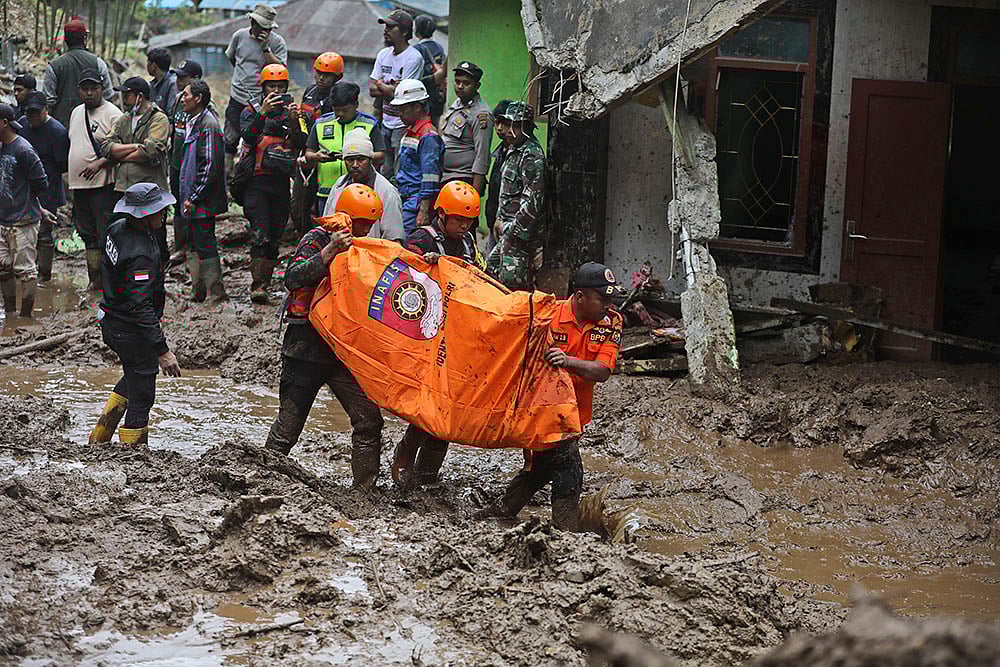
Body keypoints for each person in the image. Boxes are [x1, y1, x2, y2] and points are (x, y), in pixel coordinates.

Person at [478, 262, 624, 530]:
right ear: (580, 297)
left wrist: (567, 361)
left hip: (576, 411)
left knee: (541, 467)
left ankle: (501, 511)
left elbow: (603, 370)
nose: (608, 305)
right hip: (541, 410)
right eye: (602, 298)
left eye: (611, 299)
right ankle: (565, 531)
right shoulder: (546, 315)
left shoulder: (612, 322)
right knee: (569, 469)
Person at [265, 184, 386, 492]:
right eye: (359, 224)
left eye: (368, 226)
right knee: (287, 430)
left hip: (343, 353)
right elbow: (292, 278)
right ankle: (263, 479)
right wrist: (329, 251)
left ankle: (365, 491)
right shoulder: (315, 239)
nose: (363, 230)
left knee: (368, 420)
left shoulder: (367, 250)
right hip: (304, 350)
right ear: (344, 218)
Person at [392, 181, 485, 486]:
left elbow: (480, 276)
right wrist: (429, 265)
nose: (464, 226)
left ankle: (428, 472)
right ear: (443, 215)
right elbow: (402, 276)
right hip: (426, 336)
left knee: (449, 408)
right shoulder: (422, 239)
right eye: (459, 219)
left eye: (469, 220)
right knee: (429, 405)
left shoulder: (469, 243)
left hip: (458, 336)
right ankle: (404, 455)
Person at [88, 183, 182, 447]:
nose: (163, 213)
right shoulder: (140, 254)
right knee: (143, 395)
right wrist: (162, 350)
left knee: (134, 374)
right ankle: (133, 453)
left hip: (110, 318)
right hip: (129, 328)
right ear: (144, 214)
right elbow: (140, 307)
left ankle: (99, 439)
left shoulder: (117, 229)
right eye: (159, 210)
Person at [238, 63, 306, 304]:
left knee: (276, 234)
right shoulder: (251, 110)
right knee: (261, 233)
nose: (276, 91)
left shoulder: (292, 112)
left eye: (280, 86)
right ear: (263, 87)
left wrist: (295, 120)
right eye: (271, 86)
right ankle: (258, 284)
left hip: (280, 181)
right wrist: (263, 113)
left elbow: (302, 140)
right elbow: (247, 136)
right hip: (256, 182)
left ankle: (266, 279)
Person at [100, 76, 171, 266]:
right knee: (126, 234)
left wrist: (120, 154)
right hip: (125, 189)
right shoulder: (124, 119)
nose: (123, 98)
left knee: (154, 236)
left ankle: (157, 277)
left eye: (127, 94)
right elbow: (106, 146)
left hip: (149, 190)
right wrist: (135, 147)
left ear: (139, 96)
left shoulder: (158, 119)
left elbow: (151, 150)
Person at [68, 68, 122, 290]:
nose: (89, 93)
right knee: (86, 232)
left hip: (103, 185)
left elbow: (121, 149)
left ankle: (111, 281)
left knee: (106, 232)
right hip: (79, 185)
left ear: (102, 89)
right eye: (85, 89)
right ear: (79, 91)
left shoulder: (113, 113)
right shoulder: (76, 112)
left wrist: (101, 163)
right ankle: (95, 280)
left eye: (94, 89)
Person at [486, 102, 546, 291]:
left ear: (527, 127)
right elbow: (505, 191)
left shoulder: (531, 156)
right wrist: (498, 220)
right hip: (506, 233)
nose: (510, 130)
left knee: (513, 289)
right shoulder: (512, 150)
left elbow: (533, 203)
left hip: (520, 237)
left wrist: (509, 229)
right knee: (489, 276)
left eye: (517, 125)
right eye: (509, 124)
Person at [178, 80, 228, 303]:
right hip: (192, 198)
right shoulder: (193, 121)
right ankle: (198, 291)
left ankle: (214, 294)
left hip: (202, 201)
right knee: (194, 243)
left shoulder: (208, 125)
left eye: (186, 94)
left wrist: (194, 196)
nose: (182, 98)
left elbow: (210, 165)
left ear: (198, 99)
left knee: (205, 243)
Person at [303, 82, 384, 216]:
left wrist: (354, 156)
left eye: (345, 110)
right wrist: (317, 156)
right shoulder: (321, 123)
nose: (340, 113)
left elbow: (381, 156)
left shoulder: (369, 124)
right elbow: (308, 154)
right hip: (326, 192)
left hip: (361, 193)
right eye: (336, 109)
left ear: (356, 105)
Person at [224, 2, 287, 170]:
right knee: (230, 139)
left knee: (256, 138)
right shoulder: (239, 36)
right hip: (238, 96)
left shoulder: (277, 42)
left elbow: (280, 70)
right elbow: (232, 58)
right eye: (259, 26)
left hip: (262, 101)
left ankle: (251, 170)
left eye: (266, 28)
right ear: (252, 22)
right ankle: (227, 174)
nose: (263, 31)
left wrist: (265, 48)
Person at [16, 91, 69, 285]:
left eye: (36, 113)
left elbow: (63, 163)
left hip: (49, 185)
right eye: (30, 114)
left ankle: (44, 274)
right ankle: (26, 268)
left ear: (46, 110)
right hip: (24, 185)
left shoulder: (57, 131)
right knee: (23, 228)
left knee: (45, 232)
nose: (33, 117)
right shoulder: (22, 125)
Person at [0, 104, 47, 318]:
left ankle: (25, 317)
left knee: (25, 271)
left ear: (4, 123)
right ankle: (10, 313)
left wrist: (31, 204)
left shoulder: (23, 149)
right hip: (3, 219)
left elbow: (41, 184)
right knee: (3, 269)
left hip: (23, 220)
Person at [291, 52, 345, 237]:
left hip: (325, 159)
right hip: (306, 152)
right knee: (299, 205)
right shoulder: (310, 92)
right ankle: (304, 240)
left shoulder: (337, 99)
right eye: (319, 72)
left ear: (337, 77)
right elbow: (302, 121)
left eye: (327, 75)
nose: (321, 78)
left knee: (319, 205)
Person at [369, 9, 424, 180]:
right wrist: (388, 88)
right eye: (385, 26)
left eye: (391, 27)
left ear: (405, 32)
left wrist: (381, 84)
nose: (385, 30)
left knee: (401, 169)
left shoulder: (413, 58)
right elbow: (371, 89)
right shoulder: (383, 54)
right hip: (385, 121)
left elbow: (402, 95)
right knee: (384, 170)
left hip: (403, 124)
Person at [323, 127, 404, 244]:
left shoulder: (386, 192)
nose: (355, 165)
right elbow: (328, 227)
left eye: (361, 159)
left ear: (370, 160)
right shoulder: (339, 186)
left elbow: (394, 240)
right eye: (350, 160)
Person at [167, 59, 212, 264]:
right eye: (177, 77)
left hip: (193, 167)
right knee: (177, 204)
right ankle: (181, 247)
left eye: (183, 78)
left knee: (193, 208)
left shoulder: (206, 112)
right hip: (177, 163)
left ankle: (194, 249)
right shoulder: (178, 100)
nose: (178, 81)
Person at [390, 79, 443, 237]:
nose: (399, 114)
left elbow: (430, 176)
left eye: (403, 110)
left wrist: (423, 210)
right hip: (405, 199)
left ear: (417, 107)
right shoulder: (411, 131)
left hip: (416, 202)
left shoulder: (428, 136)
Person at [42, 17, 114, 128]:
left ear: (65, 40)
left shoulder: (54, 66)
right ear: (84, 38)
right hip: (94, 127)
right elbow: (108, 95)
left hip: (62, 127)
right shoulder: (98, 63)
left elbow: (49, 102)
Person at [440, 62, 492, 194]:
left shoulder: (481, 114)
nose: (460, 86)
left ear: (477, 86)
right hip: (445, 177)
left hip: (463, 180)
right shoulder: (458, 103)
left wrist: (473, 194)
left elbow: (482, 156)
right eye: (457, 82)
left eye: (466, 83)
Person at [485, 99, 513, 251]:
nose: (500, 128)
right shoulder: (500, 152)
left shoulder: (521, 155)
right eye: (497, 123)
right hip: (494, 221)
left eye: (505, 123)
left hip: (508, 225)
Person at [412, 14, 447, 124]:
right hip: (437, 95)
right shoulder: (439, 47)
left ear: (417, 31)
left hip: (423, 93)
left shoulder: (416, 50)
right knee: (434, 125)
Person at [146, 48, 177, 119]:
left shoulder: (173, 83)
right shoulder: (153, 84)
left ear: (153, 66)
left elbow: (171, 114)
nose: (146, 66)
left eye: (148, 63)